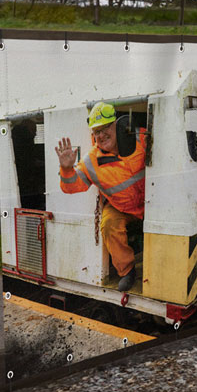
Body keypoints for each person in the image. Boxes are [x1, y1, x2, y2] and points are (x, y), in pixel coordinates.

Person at [56, 102, 149, 293]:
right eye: (96, 131)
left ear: (117, 124)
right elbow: (72, 186)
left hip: (152, 202)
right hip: (121, 207)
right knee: (108, 225)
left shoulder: (141, 138)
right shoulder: (91, 161)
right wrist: (66, 168)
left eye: (106, 127)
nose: (101, 135)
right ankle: (127, 271)